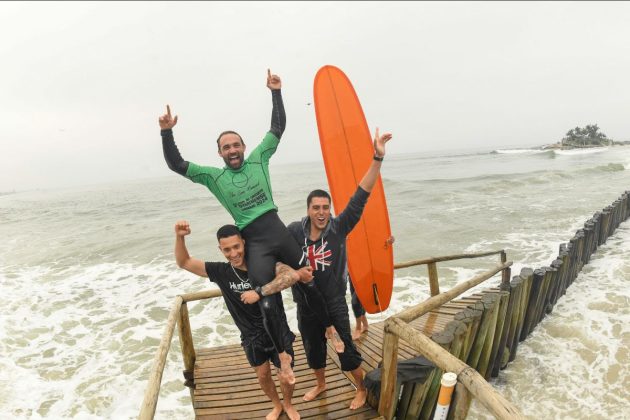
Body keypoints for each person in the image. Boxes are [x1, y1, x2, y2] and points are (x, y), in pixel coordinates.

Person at [159, 69, 343, 383]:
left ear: (244, 147)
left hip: (277, 231)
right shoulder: (213, 177)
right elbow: (177, 165)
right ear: (219, 153)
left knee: (308, 280)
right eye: (226, 147)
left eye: (236, 145)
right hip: (255, 241)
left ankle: (329, 329)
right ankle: (283, 355)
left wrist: (276, 91)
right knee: (266, 299)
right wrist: (166, 133)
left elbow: (278, 128)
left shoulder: (259, 158)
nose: (232, 150)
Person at [289, 128, 393, 409]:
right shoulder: (294, 232)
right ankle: (321, 383)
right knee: (312, 349)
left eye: (326, 207)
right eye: (316, 208)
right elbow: (272, 251)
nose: (322, 212)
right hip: (305, 303)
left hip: (334, 301)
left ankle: (360, 387)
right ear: (308, 209)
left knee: (346, 347)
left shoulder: (338, 227)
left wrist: (377, 158)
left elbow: (362, 194)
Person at [173, 220, 312, 420]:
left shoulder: (264, 264)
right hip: (251, 337)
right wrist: (179, 237)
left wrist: (259, 291)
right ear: (220, 250)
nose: (233, 253)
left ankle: (288, 404)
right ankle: (277, 405)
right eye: (227, 249)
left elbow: (291, 275)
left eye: (236, 247)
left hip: (277, 330)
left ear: (244, 243)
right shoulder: (221, 272)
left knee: (286, 376)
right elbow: (184, 262)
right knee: (263, 375)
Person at [348, 237, 393, 340]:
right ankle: (365, 324)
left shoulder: (366, 238)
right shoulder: (351, 236)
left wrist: (388, 242)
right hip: (352, 273)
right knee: (359, 300)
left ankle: (358, 327)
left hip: (366, 275)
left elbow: (380, 246)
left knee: (355, 301)